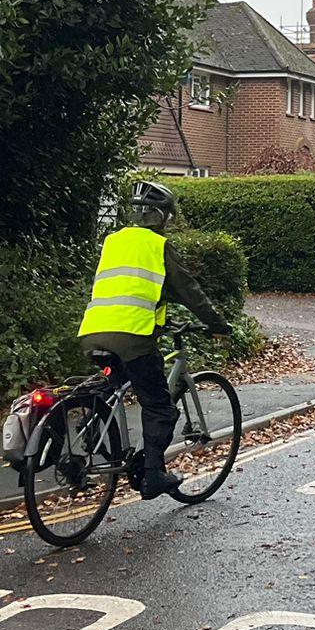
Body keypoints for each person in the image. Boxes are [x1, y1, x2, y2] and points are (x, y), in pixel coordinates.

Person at [78, 179, 233, 499]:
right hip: (132, 336)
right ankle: (152, 476)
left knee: (115, 384)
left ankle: (94, 423)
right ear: (161, 216)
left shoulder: (113, 241)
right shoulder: (157, 246)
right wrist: (218, 325)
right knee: (160, 406)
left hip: (93, 328)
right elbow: (190, 291)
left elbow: (129, 287)